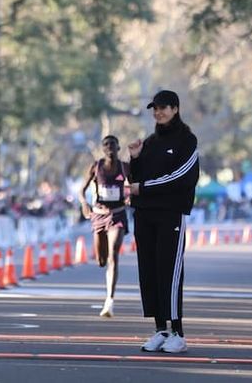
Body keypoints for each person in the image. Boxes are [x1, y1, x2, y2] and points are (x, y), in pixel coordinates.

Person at [128, 90, 199, 354]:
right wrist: (135, 159)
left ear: (175, 109)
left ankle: (178, 333)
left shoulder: (187, 140)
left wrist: (143, 187)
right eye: (155, 108)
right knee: (149, 270)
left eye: (163, 108)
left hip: (171, 214)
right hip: (145, 215)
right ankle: (161, 329)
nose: (158, 112)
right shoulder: (149, 142)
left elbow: (182, 176)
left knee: (169, 272)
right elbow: (134, 180)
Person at [78, 135, 130, 318]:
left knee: (113, 254)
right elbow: (81, 191)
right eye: (106, 145)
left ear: (118, 147)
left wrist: (130, 195)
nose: (110, 148)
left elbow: (134, 185)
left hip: (118, 214)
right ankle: (104, 263)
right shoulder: (96, 166)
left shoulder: (124, 167)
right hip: (99, 215)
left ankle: (110, 300)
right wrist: (84, 203)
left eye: (113, 145)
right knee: (102, 260)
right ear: (103, 148)